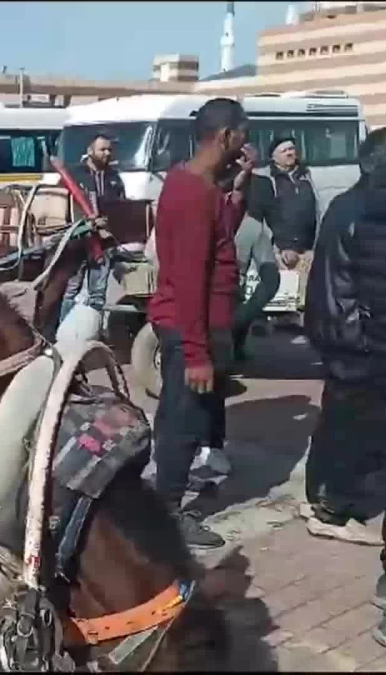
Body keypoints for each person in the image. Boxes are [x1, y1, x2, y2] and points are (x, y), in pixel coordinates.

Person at [301, 125, 386, 649]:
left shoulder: (348, 208)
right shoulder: (356, 212)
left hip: (366, 364)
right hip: (368, 363)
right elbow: (331, 295)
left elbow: (325, 297)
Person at [148, 98, 253, 550]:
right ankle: (166, 516)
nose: (246, 143)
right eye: (243, 134)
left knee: (183, 417)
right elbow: (191, 281)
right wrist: (197, 353)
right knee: (183, 423)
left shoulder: (196, 185)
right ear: (226, 135)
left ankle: (164, 499)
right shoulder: (192, 194)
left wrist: (240, 186)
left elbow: (221, 231)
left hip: (201, 324)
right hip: (193, 326)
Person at [60, 134, 128, 323]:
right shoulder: (74, 175)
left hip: (103, 245)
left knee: (98, 294)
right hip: (78, 242)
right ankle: (61, 333)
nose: (107, 153)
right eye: (102, 149)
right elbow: (62, 206)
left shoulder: (114, 178)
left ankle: (92, 330)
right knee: (70, 291)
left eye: (109, 149)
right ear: (90, 151)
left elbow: (122, 208)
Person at [251, 137, 320, 315]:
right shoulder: (267, 180)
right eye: (284, 151)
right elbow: (268, 217)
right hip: (281, 249)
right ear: (273, 157)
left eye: (292, 149)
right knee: (282, 301)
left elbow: (316, 210)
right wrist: (284, 247)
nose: (290, 153)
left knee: (305, 301)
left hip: (307, 248)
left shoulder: (306, 175)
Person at [231, 172, 283, 362]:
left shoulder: (252, 227)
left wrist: (243, 316)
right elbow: (271, 279)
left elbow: (271, 279)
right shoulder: (252, 227)